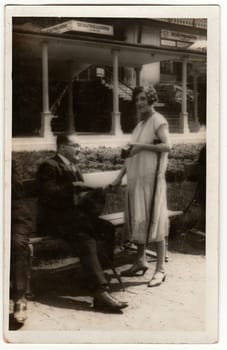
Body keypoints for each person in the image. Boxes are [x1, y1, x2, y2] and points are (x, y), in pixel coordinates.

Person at [36, 133, 128, 313]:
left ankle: (94, 277)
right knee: (85, 237)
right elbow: (48, 194)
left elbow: (81, 198)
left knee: (106, 228)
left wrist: (97, 193)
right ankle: (99, 292)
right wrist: (73, 189)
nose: (80, 149)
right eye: (76, 145)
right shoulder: (49, 166)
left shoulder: (74, 167)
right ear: (63, 147)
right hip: (55, 221)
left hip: (73, 219)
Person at [112, 86, 171, 287]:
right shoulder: (139, 126)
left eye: (143, 99)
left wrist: (142, 147)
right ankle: (140, 260)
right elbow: (130, 156)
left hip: (152, 181)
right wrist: (119, 177)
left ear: (151, 99)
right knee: (140, 220)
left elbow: (167, 146)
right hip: (137, 181)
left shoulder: (158, 120)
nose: (139, 103)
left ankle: (161, 269)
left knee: (155, 220)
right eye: (137, 99)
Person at [11, 160, 32, 324]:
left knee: (17, 244)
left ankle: (19, 299)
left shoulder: (7, 163)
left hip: (14, 217)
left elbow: (16, 195)